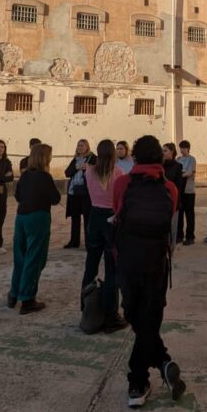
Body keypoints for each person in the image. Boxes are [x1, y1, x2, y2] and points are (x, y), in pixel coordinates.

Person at [113, 135, 185, 408]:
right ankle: (162, 361)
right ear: (160, 157)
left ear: (135, 156)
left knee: (134, 316)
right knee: (150, 319)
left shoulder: (122, 184)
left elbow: (116, 213)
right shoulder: (170, 188)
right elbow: (170, 223)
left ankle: (138, 381)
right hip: (156, 264)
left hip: (127, 262)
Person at [9, 143, 61, 314]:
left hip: (21, 217)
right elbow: (55, 198)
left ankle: (14, 294)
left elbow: (18, 196)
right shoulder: (45, 177)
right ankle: (27, 299)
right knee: (35, 258)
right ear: (45, 157)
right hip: (38, 217)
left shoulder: (25, 175)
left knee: (20, 257)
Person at [82, 139, 126, 332]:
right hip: (111, 219)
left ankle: (86, 309)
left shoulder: (89, 171)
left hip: (95, 217)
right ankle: (111, 315)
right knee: (112, 270)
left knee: (90, 265)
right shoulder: (119, 173)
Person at [64, 139, 94, 249]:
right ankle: (74, 241)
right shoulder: (75, 159)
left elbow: (97, 172)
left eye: (82, 145)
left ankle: (88, 242)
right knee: (75, 217)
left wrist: (88, 168)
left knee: (87, 218)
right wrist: (76, 167)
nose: (80, 147)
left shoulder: (93, 158)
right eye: (78, 145)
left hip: (86, 193)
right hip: (74, 192)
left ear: (87, 147)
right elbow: (67, 173)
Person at [162, 143, 183, 253]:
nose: (163, 153)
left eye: (165, 150)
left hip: (173, 200)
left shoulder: (177, 166)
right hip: (161, 200)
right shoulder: (160, 165)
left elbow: (179, 186)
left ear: (172, 152)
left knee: (172, 228)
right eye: (162, 151)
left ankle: (171, 250)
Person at [177, 140, 196, 245]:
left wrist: (180, 174)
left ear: (188, 149)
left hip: (189, 190)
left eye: (184, 148)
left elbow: (189, 172)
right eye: (181, 148)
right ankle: (179, 235)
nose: (182, 150)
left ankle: (190, 236)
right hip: (180, 190)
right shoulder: (178, 159)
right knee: (179, 214)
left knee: (189, 215)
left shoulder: (192, 159)